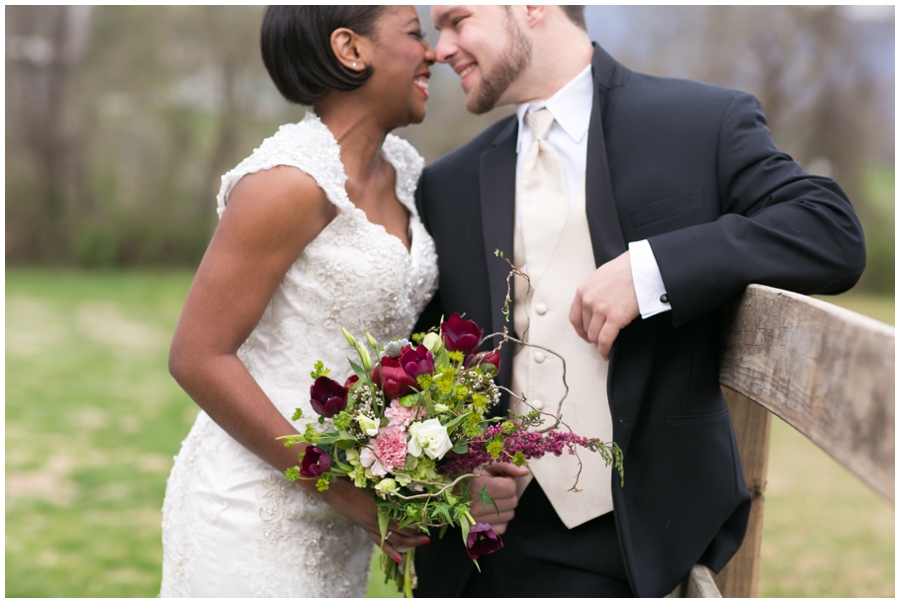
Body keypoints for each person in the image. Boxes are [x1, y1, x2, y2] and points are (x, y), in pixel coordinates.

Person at [412, 5, 866, 598]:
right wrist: (454, 474)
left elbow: (829, 231)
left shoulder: (700, 122)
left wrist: (654, 269)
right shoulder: (447, 182)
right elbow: (426, 357)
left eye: (456, 19)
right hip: (489, 555)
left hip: (637, 539)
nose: (439, 47)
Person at [159, 6, 437, 597]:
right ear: (351, 48)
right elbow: (197, 356)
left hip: (345, 517)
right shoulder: (287, 182)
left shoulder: (407, 175)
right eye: (415, 34)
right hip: (252, 511)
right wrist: (344, 493)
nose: (432, 52)